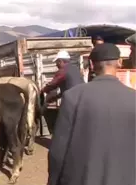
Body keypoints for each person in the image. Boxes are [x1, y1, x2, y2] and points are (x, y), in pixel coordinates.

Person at [47, 43, 136, 185]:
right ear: (119, 62)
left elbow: (58, 151)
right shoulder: (133, 98)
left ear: (92, 66)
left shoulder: (72, 97)